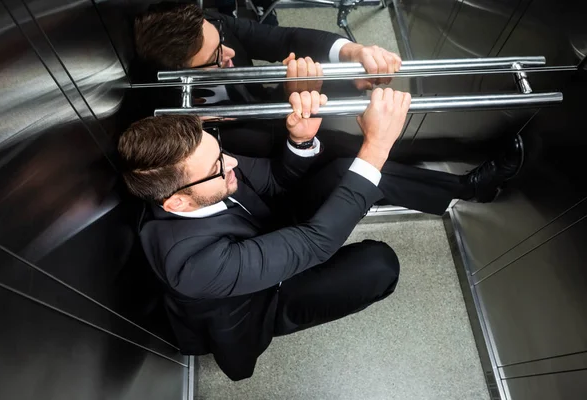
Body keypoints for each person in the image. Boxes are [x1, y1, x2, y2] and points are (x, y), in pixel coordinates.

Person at [117, 88, 524, 381]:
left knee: (345, 169)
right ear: (179, 204)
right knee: (378, 265)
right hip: (260, 301)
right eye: (218, 166)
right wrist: (378, 145)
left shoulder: (206, 176)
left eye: (220, 151)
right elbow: (315, 243)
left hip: (264, 234)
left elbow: (275, 181)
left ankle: (467, 190)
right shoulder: (190, 266)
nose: (233, 162)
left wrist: (301, 139)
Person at [132, 3, 402, 157]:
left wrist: (351, 52)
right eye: (216, 57)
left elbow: (283, 39)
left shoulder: (210, 24)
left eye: (221, 41)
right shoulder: (170, 119)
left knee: (346, 83)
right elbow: (258, 146)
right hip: (258, 142)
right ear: (183, 75)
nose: (231, 54)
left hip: (260, 99)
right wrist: (292, 101)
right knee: (342, 148)